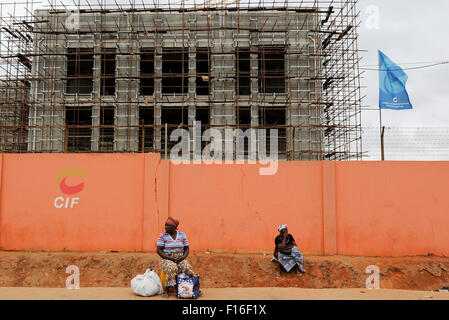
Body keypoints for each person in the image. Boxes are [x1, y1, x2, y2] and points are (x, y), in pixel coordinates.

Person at [156, 217, 202, 297]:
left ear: (174, 227)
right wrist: (171, 258)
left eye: (168, 226)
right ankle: (166, 290)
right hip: (167, 258)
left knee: (187, 268)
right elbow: (159, 250)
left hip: (180, 257)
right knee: (172, 268)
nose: (166, 227)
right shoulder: (163, 236)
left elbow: (186, 248)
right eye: (165, 225)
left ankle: (194, 288)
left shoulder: (182, 234)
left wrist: (182, 257)